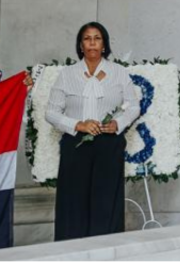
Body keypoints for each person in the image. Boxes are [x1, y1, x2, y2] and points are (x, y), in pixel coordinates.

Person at [45, 22, 141, 240]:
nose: (92, 43)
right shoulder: (67, 74)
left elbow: (133, 106)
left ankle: (105, 250)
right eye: (87, 38)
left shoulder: (118, 73)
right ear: (80, 44)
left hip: (109, 144)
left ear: (104, 44)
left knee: (106, 200)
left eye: (97, 38)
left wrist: (118, 123)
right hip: (76, 144)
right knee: (73, 199)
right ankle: (71, 251)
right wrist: (78, 125)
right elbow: (51, 112)